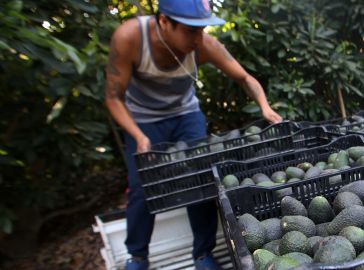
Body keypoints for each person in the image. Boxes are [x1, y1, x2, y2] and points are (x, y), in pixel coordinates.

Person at [104, 0, 282, 269]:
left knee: (200, 179)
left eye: (202, 30)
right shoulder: (130, 38)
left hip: (186, 115)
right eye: (191, 30)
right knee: (143, 185)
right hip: (143, 120)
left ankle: (203, 254)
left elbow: (245, 78)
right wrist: (139, 137)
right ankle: (137, 256)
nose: (198, 38)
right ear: (164, 21)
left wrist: (266, 108)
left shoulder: (203, 45)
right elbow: (113, 98)